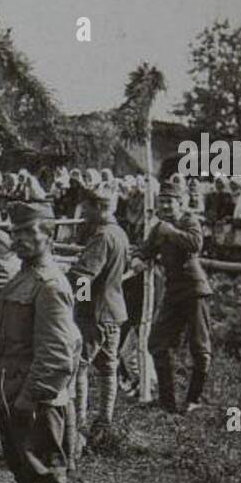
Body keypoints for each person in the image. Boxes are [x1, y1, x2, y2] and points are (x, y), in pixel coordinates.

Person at [0, 200, 80, 483]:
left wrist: (30, 397)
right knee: (27, 472)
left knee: (47, 473)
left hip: (37, 396)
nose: (20, 238)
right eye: (16, 232)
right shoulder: (22, 276)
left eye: (29, 232)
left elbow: (57, 354)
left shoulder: (50, 285)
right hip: (15, 392)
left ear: (49, 235)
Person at [130, 181, 212, 413]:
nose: (165, 205)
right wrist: (138, 258)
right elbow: (145, 249)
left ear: (180, 202)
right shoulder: (158, 227)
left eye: (170, 201)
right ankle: (167, 403)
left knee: (200, 347)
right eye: (162, 201)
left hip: (195, 291)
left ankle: (194, 399)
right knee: (156, 343)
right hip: (173, 292)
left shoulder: (189, 221)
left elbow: (195, 244)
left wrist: (173, 232)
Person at [66, 182, 129, 447]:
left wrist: (75, 303)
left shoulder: (102, 236)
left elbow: (84, 275)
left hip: (94, 313)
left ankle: (78, 426)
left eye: (88, 207)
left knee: (79, 367)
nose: (84, 212)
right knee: (107, 368)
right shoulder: (119, 233)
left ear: (100, 208)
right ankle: (104, 423)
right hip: (114, 311)